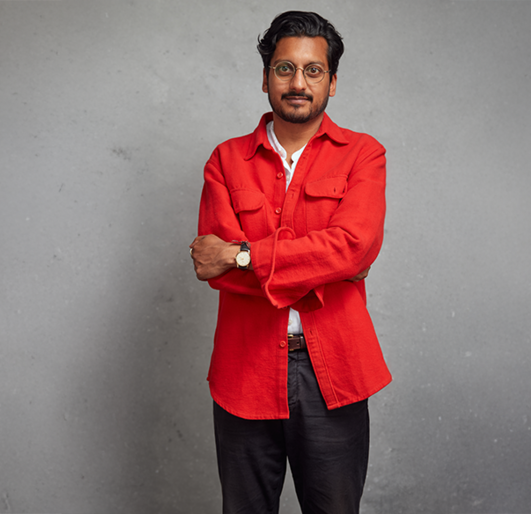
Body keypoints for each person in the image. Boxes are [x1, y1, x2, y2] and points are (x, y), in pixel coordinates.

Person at [190, 11, 391, 513]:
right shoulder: (225, 161)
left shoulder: (364, 155)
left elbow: (356, 247)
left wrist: (242, 254)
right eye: (285, 69)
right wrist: (328, 266)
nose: (298, 83)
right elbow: (215, 272)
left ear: (332, 83)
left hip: (335, 372)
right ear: (266, 78)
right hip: (244, 370)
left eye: (313, 70)